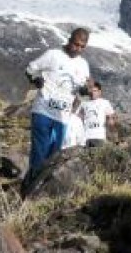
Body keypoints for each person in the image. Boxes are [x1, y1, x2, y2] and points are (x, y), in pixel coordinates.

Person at [23, 27, 93, 188]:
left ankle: (36, 189)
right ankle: (31, 190)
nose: (78, 49)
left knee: (54, 157)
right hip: (43, 110)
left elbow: (82, 91)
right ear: (69, 40)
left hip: (62, 117)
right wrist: (36, 80)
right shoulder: (53, 55)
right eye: (76, 44)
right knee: (39, 155)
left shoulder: (83, 65)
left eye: (82, 47)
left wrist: (86, 90)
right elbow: (30, 69)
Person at [80, 81, 116, 147]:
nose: (93, 93)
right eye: (91, 91)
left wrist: (111, 124)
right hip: (86, 137)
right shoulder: (84, 103)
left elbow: (111, 117)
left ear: (99, 92)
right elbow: (80, 118)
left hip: (99, 136)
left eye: (95, 91)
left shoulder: (105, 102)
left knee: (98, 156)